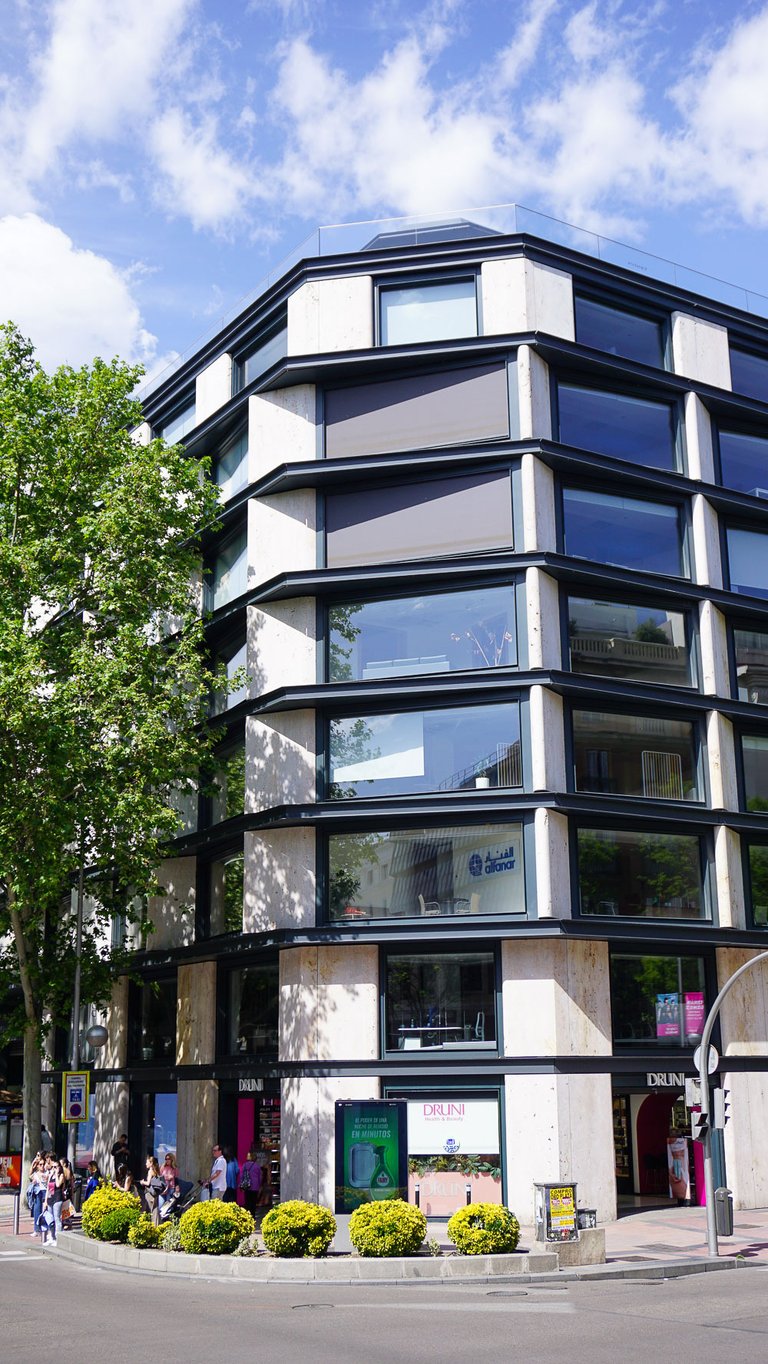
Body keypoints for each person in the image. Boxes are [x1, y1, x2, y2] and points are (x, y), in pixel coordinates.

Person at [140, 1155, 165, 1225]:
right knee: (155, 1209)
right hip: (155, 1194)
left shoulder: (150, 1171)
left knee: (151, 1210)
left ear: (151, 1163)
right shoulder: (156, 1171)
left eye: (147, 1162)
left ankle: (152, 1226)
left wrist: (142, 1182)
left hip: (150, 1193)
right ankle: (156, 1225)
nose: (146, 1164)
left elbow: (148, 1183)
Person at [239, 1147, 263, 1218]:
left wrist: (241, 1184)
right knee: (253, 1201)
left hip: (247, 1185)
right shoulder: (257, 1166)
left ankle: (248, 1215)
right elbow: (259, 1176)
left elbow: (242, 1175)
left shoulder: (245, 1165)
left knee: (247, 1201)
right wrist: (259, 1185)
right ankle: (253, 1215)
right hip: (255, 1186)